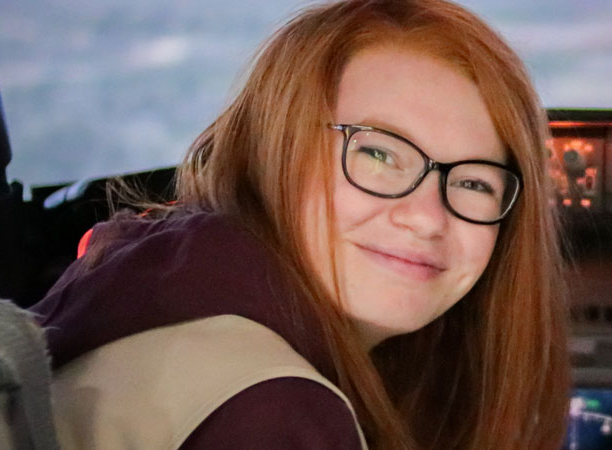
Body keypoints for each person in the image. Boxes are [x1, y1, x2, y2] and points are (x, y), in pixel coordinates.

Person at [29, 1, 568, 448]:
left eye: (475, 184)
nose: (428, 217)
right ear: (275, 148)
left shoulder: (160, 282)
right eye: (377, 154)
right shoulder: (271, 412)